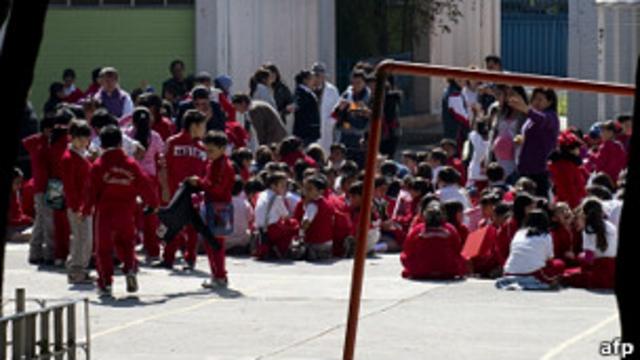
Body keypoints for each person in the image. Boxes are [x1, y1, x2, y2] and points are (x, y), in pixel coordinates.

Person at [87, 125, 158, 297]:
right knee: (127, 243)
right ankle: (130, 269)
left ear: (101, 145)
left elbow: (90, 190)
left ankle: (105, 283)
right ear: (120, 143)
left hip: (105, 212)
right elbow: (144, 184)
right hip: (127, 211)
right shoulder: (131, 164)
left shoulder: (98, 165)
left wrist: (85, 208)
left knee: (103, 249)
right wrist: (153, 203)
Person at [157, 110, 208, 270]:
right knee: (172, 224)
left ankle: (190, 258)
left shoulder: (202, 147)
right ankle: (168, 258)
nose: (204, 130)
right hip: (174, 192)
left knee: (193, 226)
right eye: (202, 126)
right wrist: (164, 187)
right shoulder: (172, 142)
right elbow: (163, 167)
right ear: (194, 125)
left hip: (194, 195)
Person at [186, 131, 234, 288]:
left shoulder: (224, 166)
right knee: (209, 242)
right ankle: (216, 275)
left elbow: (217, 188)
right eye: (206, 150)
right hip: (210, 205)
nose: (208, 154)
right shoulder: (213, 163)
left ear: (222, 149)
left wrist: (199, 183)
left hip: (220, 207)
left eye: (211, 150)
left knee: (216, 243)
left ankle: (220, 275)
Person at [126, 107, 165, 261]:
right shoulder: (155, 136)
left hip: (131, 176)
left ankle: (131, 249)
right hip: (150, 178)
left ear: (133, 121)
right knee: (151, 215)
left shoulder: (127, 134)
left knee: (130, 214)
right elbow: (161, 156)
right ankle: (153, 250)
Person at [508, 87, 560, 198]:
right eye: (534, 99)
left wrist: (526, 109)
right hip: (525, 167)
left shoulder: (551, 116)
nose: (536, 102)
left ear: (550, 101)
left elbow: (542, 120)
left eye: (540, 99)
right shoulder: (531, 117)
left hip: (539, 170)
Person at [60, 120, 93, 284]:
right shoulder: (69, 158)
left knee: (85, 239)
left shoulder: (84, 155)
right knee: (82, 239)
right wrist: (76, 208)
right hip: (77, 207)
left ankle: (80, 269)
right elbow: (70, 187)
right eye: (79, 139)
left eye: (86, 138)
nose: (83, 142)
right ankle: (76, 271)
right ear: (71, 138)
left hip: (86, 205)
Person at [400, 201, 466, 280]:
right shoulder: (450, 229)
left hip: (420, 270)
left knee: (403, 255)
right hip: (448, 269)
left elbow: (407, 250)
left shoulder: (417, 229)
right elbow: (458, 250)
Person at [22, 116, 56, 264]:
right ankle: (47, 253)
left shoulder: (36, 142)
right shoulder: (40, 143)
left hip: (49, 186)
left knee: (42, 220)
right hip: (42, 186)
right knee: (46, 220)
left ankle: (36, 251)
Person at [564, 198, 617, 289]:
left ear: (584, 214)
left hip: (599, 271)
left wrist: (578, 258)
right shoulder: (611, 226)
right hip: (613, 270)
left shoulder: (589, 229)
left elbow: (589, 257)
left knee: (567, 274)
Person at [502, 210, 565, 286]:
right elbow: (549, 258)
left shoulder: (518, 233)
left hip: (509, 271)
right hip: (533, 273)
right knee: (559, 264)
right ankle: (551, 282)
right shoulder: (546, 235)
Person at [254, 172, 300, 259]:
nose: (285, 188)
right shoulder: (277, 198)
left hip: (259, 228)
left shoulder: (260, 195)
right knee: (294, 225)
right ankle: (283, 250)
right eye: (282, 185)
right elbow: (286, 215)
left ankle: (271, 248)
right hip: (271, 229)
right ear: (273, 186)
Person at [487, 85, 527, 180]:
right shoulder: (501, 112)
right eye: (508, 95)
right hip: (498, 158)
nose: (511, 98)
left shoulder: (525, 115)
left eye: (514, 95)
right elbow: (493, 133)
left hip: (515, 159)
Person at [333, 69, 371, 167]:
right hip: (346, 134)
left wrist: (364, 110)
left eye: (358, 83)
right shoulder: (347, 94)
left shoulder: (370, 97)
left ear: (364, 83)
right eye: (353, 83)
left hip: (362, 136)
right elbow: (335, 113)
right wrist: (341, 108)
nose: (355, 86)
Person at [293, 175, 334, 260]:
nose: (306, 191)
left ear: (320, 191)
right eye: (305, 188)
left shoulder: (312, 205)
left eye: (310, 189)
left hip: (316, 243)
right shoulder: (328, 203)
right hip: (328, 242)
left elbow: (306, 223)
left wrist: (300, 233)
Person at [548, 131, 588, 209]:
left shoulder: (566, 164)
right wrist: (576, 206)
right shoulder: (567, 167)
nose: (579, 151)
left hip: (565, 202)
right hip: (570, 204)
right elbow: (570, 189)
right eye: (577, 148)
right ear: (570, 150)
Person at [310, 62, 341, 153]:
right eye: (315, 75)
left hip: (327, 129)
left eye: (319, 75)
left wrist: (330, 122)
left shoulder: (332, 90)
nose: (317, 78)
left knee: (326, 153)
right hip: (311, 129)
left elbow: (337, 109)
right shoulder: (308, 89)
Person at [292, 70, 321, 146]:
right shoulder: (301, 92)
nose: (314, 81)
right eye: (312, 79)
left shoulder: (309, 92)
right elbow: (298, 105)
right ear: (305, 80)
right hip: (305, 131)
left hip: (310, 130)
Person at [441, 78, 469, 151]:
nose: (466, 81)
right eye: (463, 79)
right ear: (457, 80)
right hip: (456, 133)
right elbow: (461, 116)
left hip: (450, 131)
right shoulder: (454, 94)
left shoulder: (450, 91)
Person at [227, 177, 254, 253]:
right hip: (242, 240)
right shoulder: (245, 204)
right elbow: (251, 219)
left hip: (223, 240)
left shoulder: (221, 202)